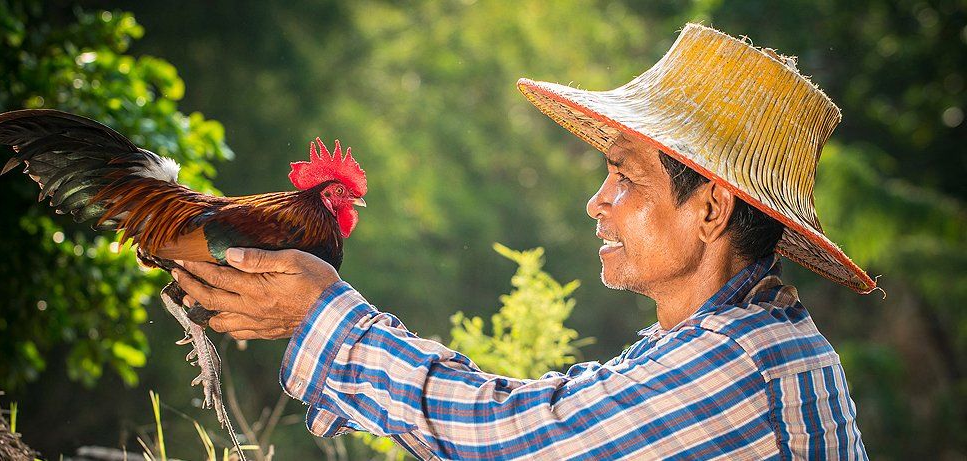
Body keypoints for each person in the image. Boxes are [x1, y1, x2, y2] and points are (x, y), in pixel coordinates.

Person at [173, 23, 874, 459]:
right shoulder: (730, 338)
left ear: (713, 208)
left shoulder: (739, 367)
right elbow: (562, 409)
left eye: (625, 178)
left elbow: (514, 440)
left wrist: (324, 315)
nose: (597, 201)